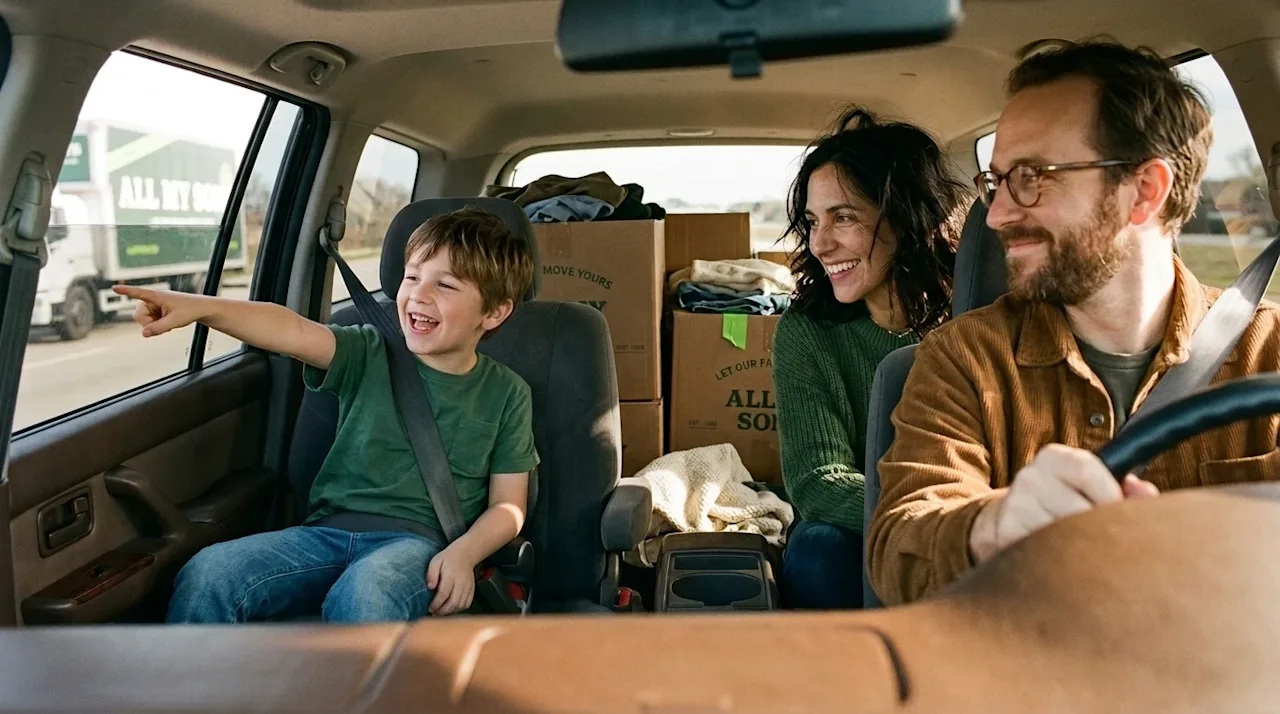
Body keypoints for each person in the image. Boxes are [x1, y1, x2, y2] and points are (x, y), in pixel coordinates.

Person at [867, 40, 1280, 606]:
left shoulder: (1272, 352)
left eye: (1032, 177)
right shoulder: (963, 358)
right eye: (997, 182)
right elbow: (899, 545)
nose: (999, 213)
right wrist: (995, 525)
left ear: (1144, 191)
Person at [117, 206, 540, 622]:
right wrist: (200, 307)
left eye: (445, 285)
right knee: (211, 572)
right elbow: (290, 330)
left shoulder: (506, 393)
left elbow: (508, 507)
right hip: (324, 534)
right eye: (412, 277)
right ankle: (191, 691)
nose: (418, 294)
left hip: (417, 546)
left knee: (366, 593)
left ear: (494, 311)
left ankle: (347, 692)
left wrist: (464, 554)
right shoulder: (368, 351)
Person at [771, 107, 971, 609]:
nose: (819, 242)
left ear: (908, 217)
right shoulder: (807, 331)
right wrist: (934, 517)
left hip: (968, 530)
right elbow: (817, 482)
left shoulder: (975, 324)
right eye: (813, 221)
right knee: (817, 549)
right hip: (871, 528)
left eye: (844, 217)